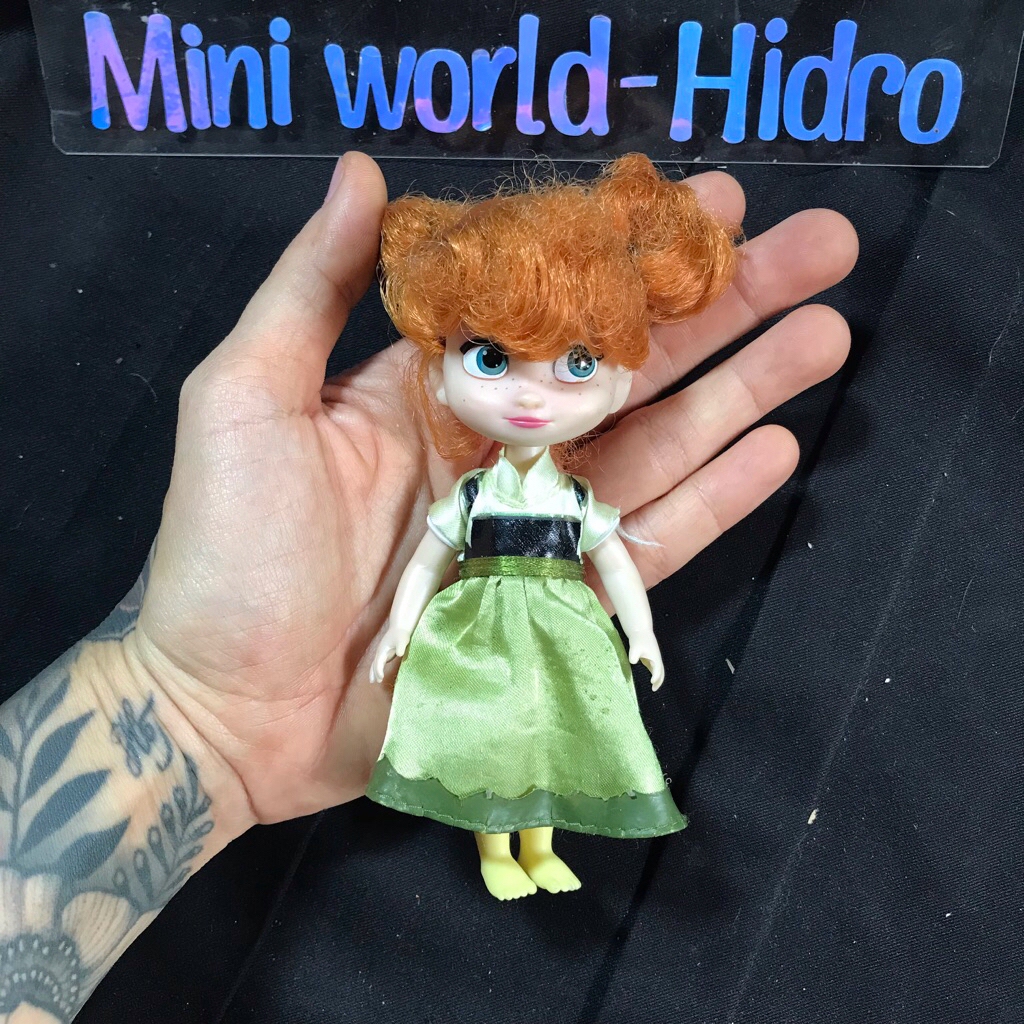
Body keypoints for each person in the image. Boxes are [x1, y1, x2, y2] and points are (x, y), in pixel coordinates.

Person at [0, 151, 856, 1021]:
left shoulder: (573, 499)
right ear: (440, 363)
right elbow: (420, 564)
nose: (531, 397)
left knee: (551, 739)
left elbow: (615, 560)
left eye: (577, 362)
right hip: (475, 625)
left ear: (622, 375)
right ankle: (496, 849)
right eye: (490, 357)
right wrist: (392, 630)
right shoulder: (473, 496)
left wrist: (637, 629)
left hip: (561, 628)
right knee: (486, 740)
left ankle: (538, 843)